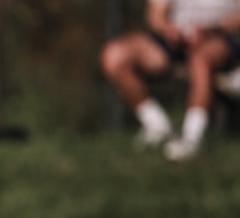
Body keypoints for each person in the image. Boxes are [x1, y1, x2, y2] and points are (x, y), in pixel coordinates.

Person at [101, 0, 240, 160]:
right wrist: (170, 30)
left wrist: (210, 29)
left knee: (200, 60)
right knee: (115, 56)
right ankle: (157, 126)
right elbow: (156, 16)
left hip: (221, 40)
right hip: (174, 41)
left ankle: (192, 138)